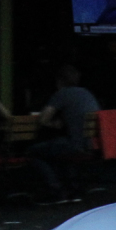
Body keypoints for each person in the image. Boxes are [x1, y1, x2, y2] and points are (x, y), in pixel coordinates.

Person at [28, 64, 99, 202]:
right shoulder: (86, 93)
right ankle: (73, 188)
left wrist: (53, 124)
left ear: (59, 81)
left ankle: (56, 190)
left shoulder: (62, 94)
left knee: (33, 152)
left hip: (73, 145)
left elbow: (43, 119)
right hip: (89, 145)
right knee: (60, 149)